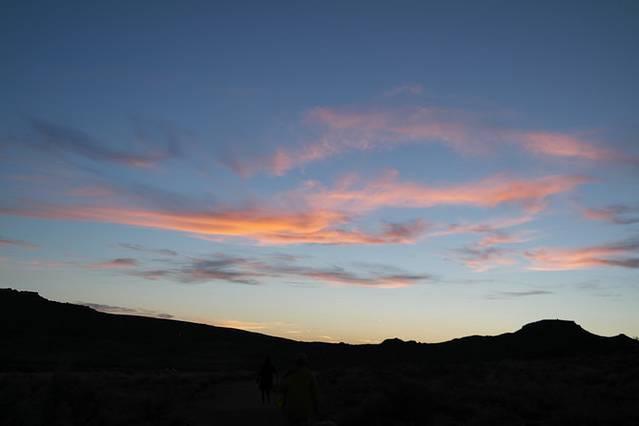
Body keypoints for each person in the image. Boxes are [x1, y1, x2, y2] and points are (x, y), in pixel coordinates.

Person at [281, 353, 319, 426]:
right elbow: (315, 393)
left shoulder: (290, 374)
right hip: (305, 410)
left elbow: (281, 388)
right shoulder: (310, 375)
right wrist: (316, 408)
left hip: (291, 409)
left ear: (296, 363)